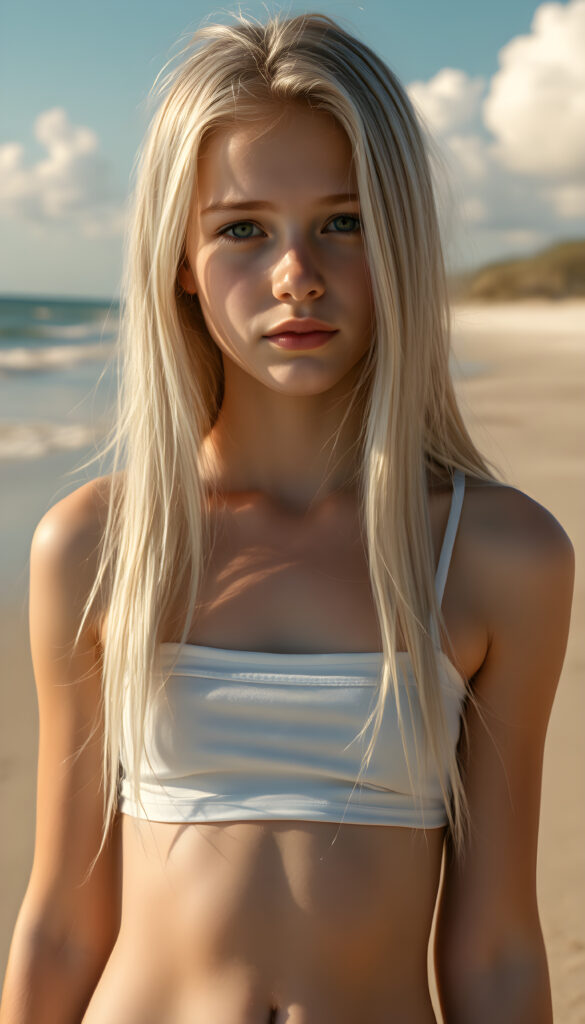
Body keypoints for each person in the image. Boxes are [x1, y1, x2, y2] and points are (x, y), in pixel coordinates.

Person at [0, 12, 574, 1024]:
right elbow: (60, 921)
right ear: (180, 256)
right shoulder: (98, 546)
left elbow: (495, 947)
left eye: (343, 222)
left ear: (398, 239)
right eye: (242, 228)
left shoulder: (493, 556)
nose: (295, 273)